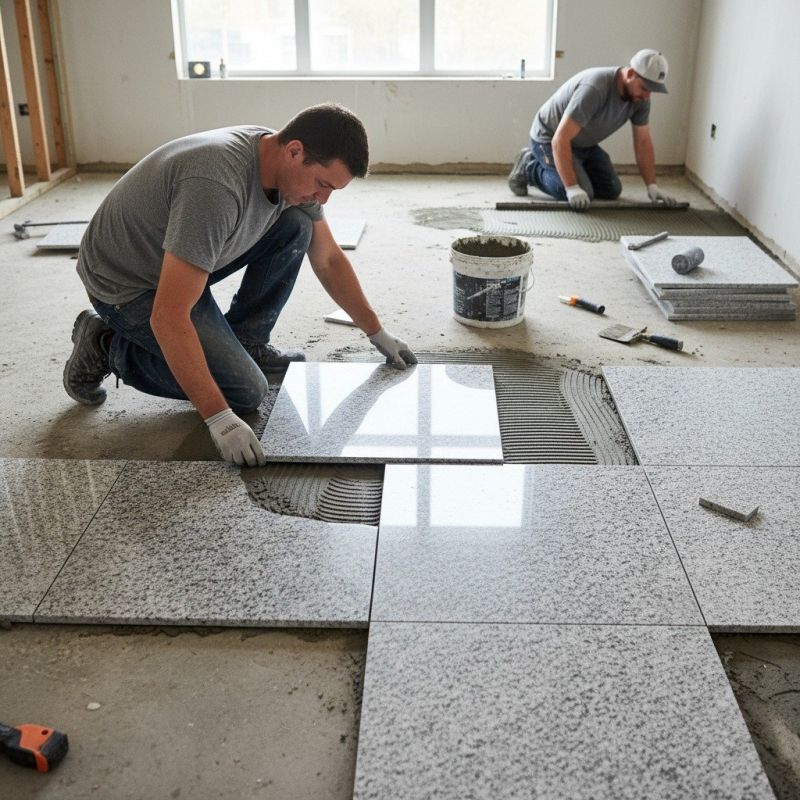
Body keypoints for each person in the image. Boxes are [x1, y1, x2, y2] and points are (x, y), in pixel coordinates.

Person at [63, 103, 417, 467]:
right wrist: (219, 418)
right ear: (294, 151)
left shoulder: (278, 160)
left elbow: (327, 258)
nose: (323, 199)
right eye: (323, 184)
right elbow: (169, 315)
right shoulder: (215, 186)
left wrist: (377, 332)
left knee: (298, 224)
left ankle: (248, 342)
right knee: (244, 392)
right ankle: (106, 345)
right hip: (130, 283)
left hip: (181, 256)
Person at [508, 49, 678, 210]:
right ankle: (529, 167)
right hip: (549, 139)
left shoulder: (640, 99)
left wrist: (652, 185)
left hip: (583, 144)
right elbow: (560, 139)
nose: (647, 96)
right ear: (631, 74)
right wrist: (572, 187)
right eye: (645, 88)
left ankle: (576, 168)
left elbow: (643, 142)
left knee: (611, 190)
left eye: (652, 91)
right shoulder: (595, 88)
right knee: (576, 193)